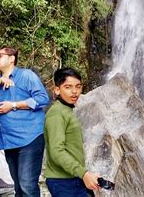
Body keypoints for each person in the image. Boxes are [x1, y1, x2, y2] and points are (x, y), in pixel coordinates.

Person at [0, 46, 50, 196]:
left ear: (12, 58)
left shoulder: (26, 75)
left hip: (29, 138)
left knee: (27, 185)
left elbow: (42, 99)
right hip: (8, 141)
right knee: (18, 187)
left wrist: (13, 105)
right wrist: (0, 81)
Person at [44, 68, 100, 196]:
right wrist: (84, 173)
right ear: (57, 89)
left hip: (73, 178)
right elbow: (56, 151)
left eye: (78, 87)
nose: (74, 92)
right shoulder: (57, 114)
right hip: (63, 182)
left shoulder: (66, 110)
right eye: (68, 87)